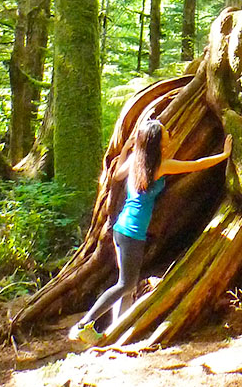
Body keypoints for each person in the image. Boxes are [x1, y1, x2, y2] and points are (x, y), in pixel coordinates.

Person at [68, 119, 232, 345]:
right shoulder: (160, 166)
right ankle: (84, 325)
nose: (168, 133)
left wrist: (127, 150)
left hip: (122, 230)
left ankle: (118, 330)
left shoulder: (138, 160)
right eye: (164, 132)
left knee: (127, 285)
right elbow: (197, 164)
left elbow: (116, 176)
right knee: (126, 284)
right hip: (132, 233)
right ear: (156, 140)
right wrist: (224, 155)